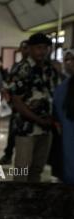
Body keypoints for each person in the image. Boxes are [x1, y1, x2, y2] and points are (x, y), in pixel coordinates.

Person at [8, 33, 60, 182]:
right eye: (38, 48)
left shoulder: (50, 69)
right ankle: (18, 202)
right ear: (30, 48)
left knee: (37, 169)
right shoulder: (21, 69)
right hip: (26, 129)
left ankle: (32, 202)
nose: (42, 51)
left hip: (46, 128)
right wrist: (38, 119)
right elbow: (17, 102)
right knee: (22, 170)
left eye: (45, 48)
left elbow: (55, 95)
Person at [0, 40, 29, 165]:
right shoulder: (17, 66)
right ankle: (8, 155)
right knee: (13, 133)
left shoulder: (40, 67)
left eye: (27, 48)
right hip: (18, 107)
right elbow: (10, 83)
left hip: (34, 109)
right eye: (24, 48)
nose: (26, 51)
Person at [53, 49, 74, 184]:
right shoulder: (62, 87)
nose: (70, 63)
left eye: (72, 59)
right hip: (68, 134)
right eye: (67, 60)